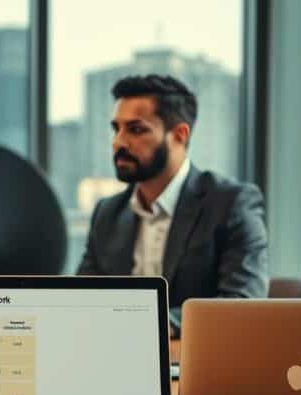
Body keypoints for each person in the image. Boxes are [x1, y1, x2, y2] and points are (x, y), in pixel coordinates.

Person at [77, 74, 268, 335]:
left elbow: (243, 303)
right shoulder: (107, 213)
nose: (118, 142)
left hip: (195, 366)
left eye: (135, 129)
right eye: (116, 128)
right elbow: (81, 301)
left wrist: (153, 325)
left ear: (179, 135)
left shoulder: (231, 203)